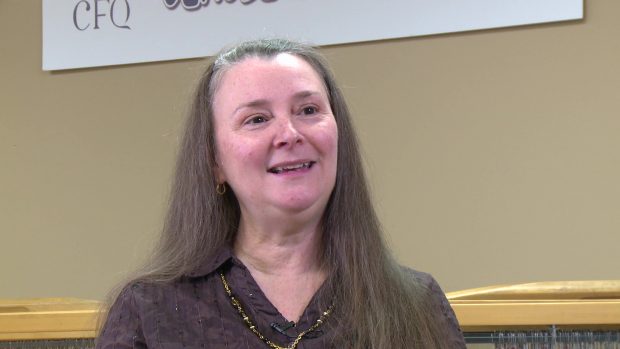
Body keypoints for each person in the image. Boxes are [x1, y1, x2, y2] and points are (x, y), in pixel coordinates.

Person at [97, 38, 466, 349]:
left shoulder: (418, 304)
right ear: (214, 161)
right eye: (256, 119)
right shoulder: (148, 310)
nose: (289, 133)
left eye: (308, 110)